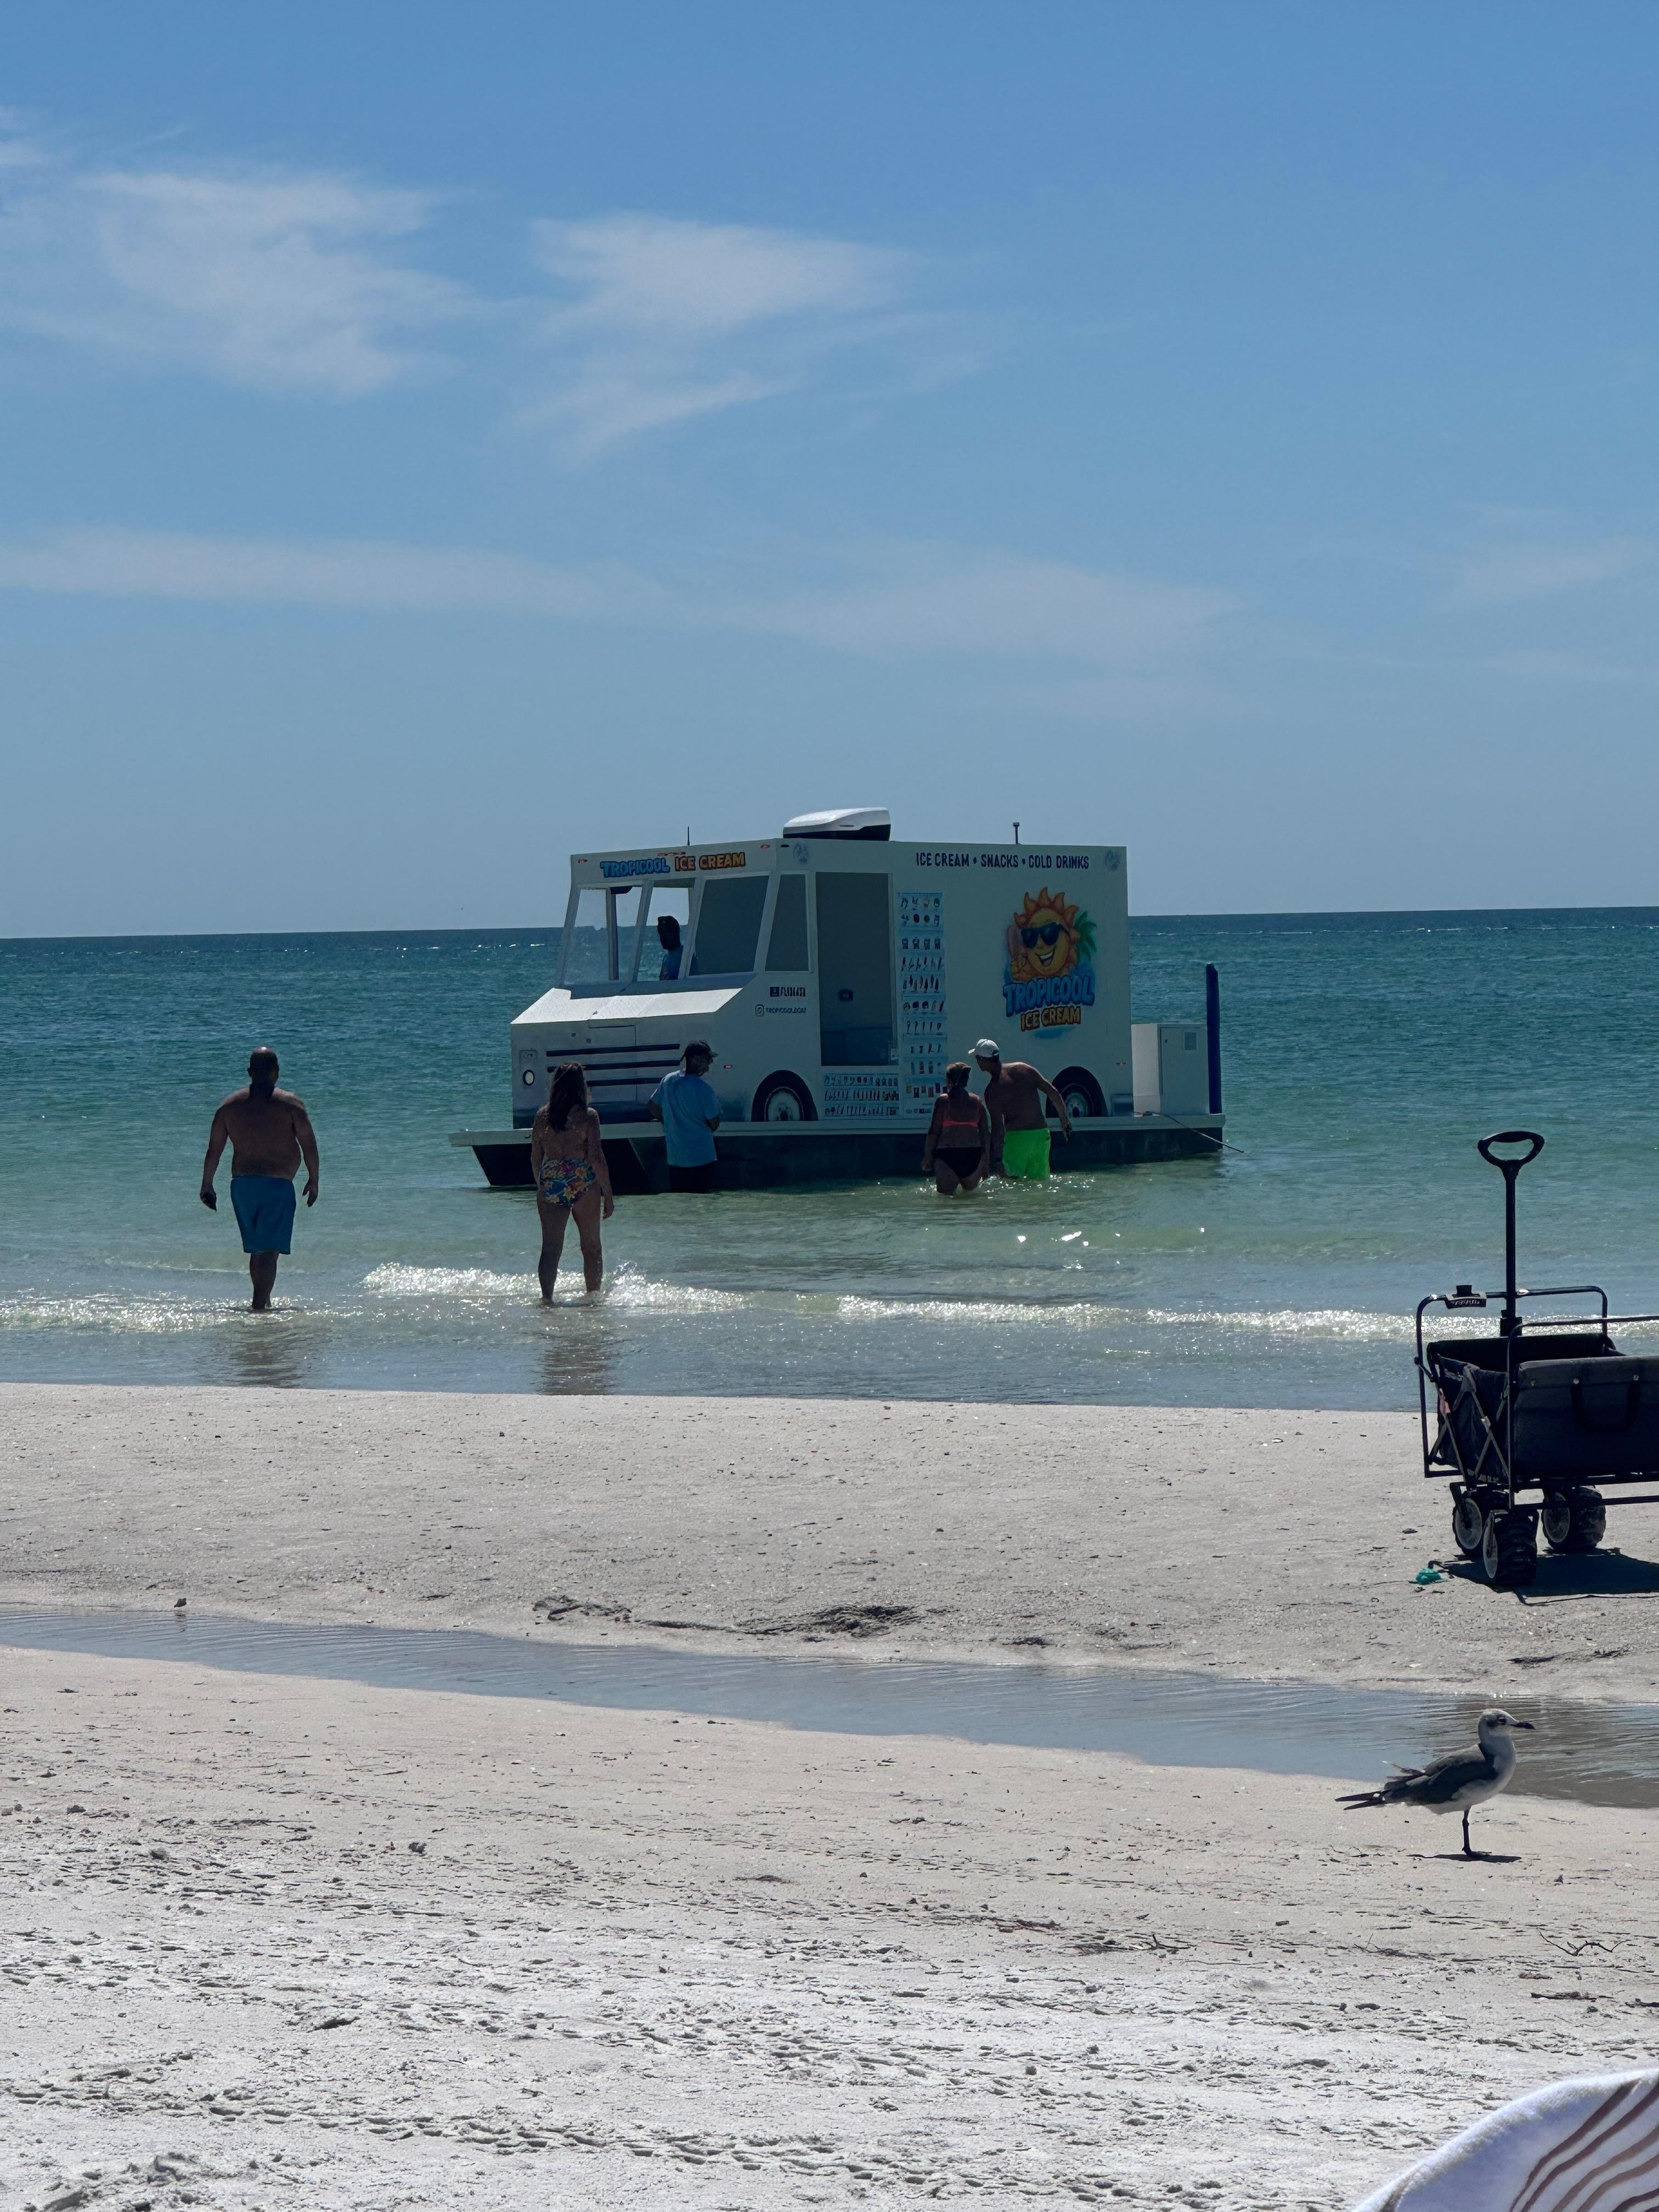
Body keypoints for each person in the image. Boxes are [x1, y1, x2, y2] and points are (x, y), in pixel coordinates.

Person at [199, 1047, 320, 1311]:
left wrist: (207, 1184)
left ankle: (262, 1302)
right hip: (276, 1185)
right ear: (276, 1071)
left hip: (242, 1186)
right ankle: (259, 1308)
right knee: (269, 1250)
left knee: (259, 1249)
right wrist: (314, 1178)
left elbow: (214, 1150)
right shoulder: (291, 1104)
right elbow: (309, 1145)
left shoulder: (229, 1107)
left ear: (250, 1072)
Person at [532, 1063, 614, 1298]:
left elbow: (536, 1157)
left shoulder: (542, 1116)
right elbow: (596, 1157)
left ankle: (547, 1299)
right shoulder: (588, 1116)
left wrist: (543, 1184)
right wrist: (608, 1193)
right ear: (581, 1086)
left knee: (550, 1248)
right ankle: (593, 1298)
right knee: (591, 1246)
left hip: (551, 1179)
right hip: (582, 1180)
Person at [973, 1037, 1072, 1181]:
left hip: (1017, 1140)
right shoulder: (1023, 1068)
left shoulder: (992, 1090)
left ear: (982, 1060)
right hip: (1041, 1136)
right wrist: (1064, 1121)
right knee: (1040, 1184)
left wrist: (998, 1160)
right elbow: (1053, 1092)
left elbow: (998, 1128)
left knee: (1013, 1185)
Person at [648, 1040, 721, 1192]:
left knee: (682, 1208)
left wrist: (668, 1120)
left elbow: (652, 1107)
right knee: (703, 1207)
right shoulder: (703, 1089)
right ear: (697, 1060)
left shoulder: (667, 1081)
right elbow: (714, 1123)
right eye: (708, 1060)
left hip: (676, 1160)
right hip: (702, 1159)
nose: (709, 1066)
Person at [921, 1061, 990, 1194]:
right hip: (973, 1156)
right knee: (971, 1201)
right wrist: (986, 1161)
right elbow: (985, 1134)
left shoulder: (943, 1102)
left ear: (949, 1080)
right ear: (966, 1080)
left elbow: (934, 1132)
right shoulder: (977, 1102)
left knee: (945, 1201)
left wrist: (928, 1156)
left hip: (947, 1156)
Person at [655, 913, 683, 981]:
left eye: (667, 933)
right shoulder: (666, 958)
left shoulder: (685, 956)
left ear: (676, 933)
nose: (663, 938)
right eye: (661, 933)